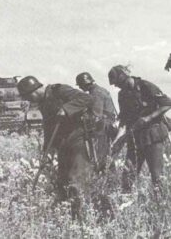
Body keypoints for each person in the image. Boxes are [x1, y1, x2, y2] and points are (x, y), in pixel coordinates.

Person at [18, 76, 109, 219]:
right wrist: (46, 151)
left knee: (77, 180)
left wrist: (66, 109)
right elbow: (48, 128)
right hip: (63, 145)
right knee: (62, 182)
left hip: (78, 141)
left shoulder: (59, 90)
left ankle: (86, 217)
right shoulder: (43, 103)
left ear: (34, 91)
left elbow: (87, 98)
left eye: (29, 97)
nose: (30, 100)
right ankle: (68, 217)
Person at [108, 65, 171, 193]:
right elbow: (124, 121)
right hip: (135, 138)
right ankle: (126, 205)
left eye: (116, 83)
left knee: (157, 177)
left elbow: (167, 103)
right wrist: (116, 141)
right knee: (127, 175)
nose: (115, 86)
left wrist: (149, 117)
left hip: (153, 136)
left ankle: (161, 206)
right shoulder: (122, 95)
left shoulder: (145, 86)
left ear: (122, 77)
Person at [76, 72, 118, 169]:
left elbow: (96, 114)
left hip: (103, 126)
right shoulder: (99, 90)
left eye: (80, 85)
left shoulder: (96, 93)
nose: (80, 88)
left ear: (85, 83)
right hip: (105, 124)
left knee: (101, 155)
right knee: (105, 154)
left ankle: (104, 176)